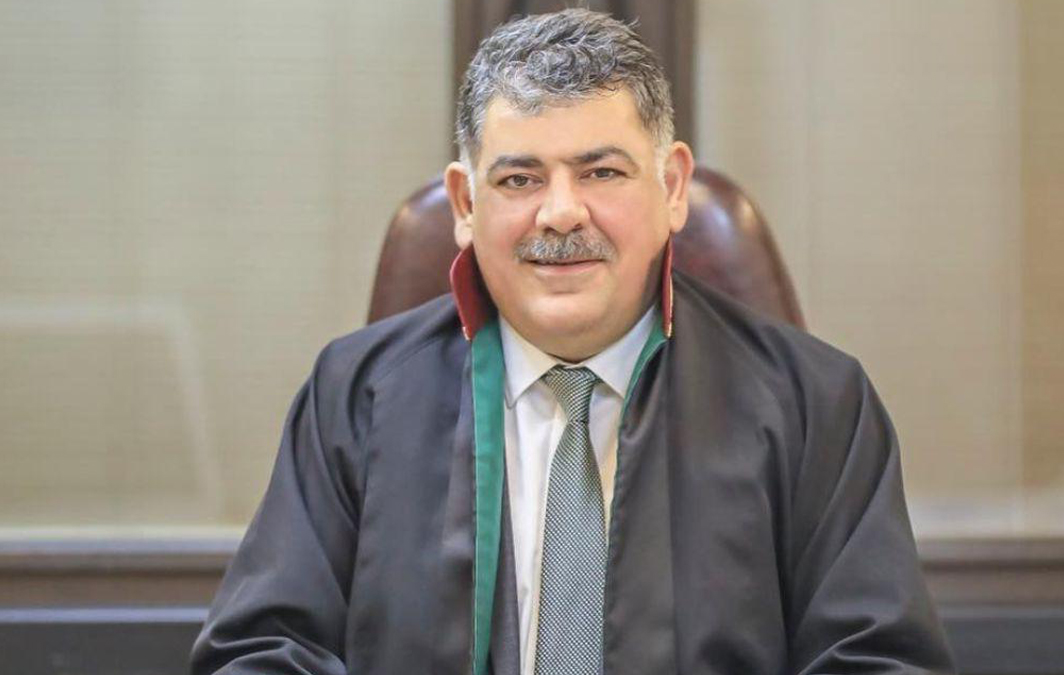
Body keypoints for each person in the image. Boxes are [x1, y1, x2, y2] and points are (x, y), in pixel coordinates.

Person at [191, 9, 956, 675]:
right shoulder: (354, 397)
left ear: (672, 188)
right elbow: (260, 650)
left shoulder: (816, 405)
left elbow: (878, 659)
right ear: (464, 203)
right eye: (519, 180)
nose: (560, 213)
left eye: (601, 172)